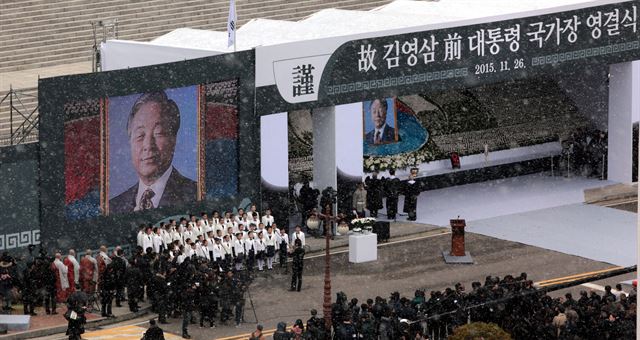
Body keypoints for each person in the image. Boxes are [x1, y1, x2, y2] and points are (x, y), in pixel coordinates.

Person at [109, 91, 197, 213]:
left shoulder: (195, 194)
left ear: (173, 139)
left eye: (158, 133)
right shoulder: (113, 207)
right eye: (140, 135)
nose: (148, 145)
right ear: (130, 142)